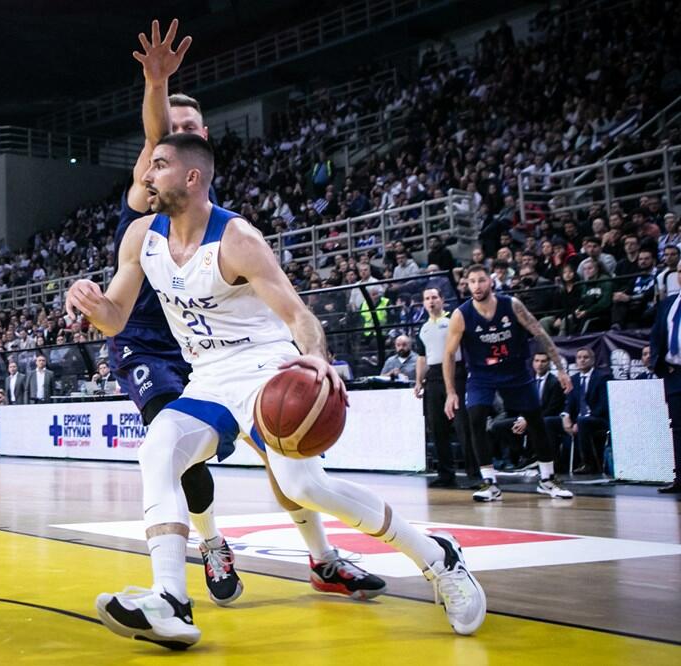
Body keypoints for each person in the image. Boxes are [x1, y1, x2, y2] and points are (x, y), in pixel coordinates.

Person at [68, 133, 485, 648]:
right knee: (157, 450)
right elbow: (114, 319)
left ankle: (440, 558)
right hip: (209, 377)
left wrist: (317, 359)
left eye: (158, 166)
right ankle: (171, 599)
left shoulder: (237, 239)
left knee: (306, 487)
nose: (147, 176)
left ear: (192, 178)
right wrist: (91, 302)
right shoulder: (140, 236)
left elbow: (298, 314)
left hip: (265, 368)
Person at [107, 20, 376, 607]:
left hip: (221, 345)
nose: (173, 136)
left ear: (202, 144)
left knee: (284, 452)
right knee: (170, 448)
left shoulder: (215, 214)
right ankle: (209, 544)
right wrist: (157, 83)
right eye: (167, 130)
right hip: (148, 339)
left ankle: (323, 559)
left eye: (187, 130)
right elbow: (155, 134)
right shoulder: (152, 186)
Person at [443, 264, 574, 502]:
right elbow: (449, 354)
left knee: (536, 420)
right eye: (472, 282)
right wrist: (451, 392)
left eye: (481, 280)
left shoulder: (512, 305)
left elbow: (540, 333)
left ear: (490, 282)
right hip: (482, 374)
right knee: (476, 419)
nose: (477, 286)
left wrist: (560, 369)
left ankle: (547, 479)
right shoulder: (461, 315)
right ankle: (489, 482)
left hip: (515, 370)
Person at [414, 287, 472, 487]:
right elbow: (422, 357)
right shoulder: (423, 328)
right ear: (423, 303)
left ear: (442, 300)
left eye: (434, 297)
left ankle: (474, 474)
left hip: (456, 373)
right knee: (437, 428)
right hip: (433, 377)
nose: (431, 301)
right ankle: (446, 474)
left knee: (463, 426)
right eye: (427, 298)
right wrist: (418, 381)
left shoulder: (452, 320)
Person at [649, 290, 681, 493]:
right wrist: (659, 365)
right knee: (677, 428)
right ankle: (680, 478)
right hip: (675, 373)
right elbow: (656, 335)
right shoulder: (668, 303)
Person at [561, 348, 610, 475]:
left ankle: (588, 464)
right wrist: (565, 416)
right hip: (579, 419)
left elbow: (603, 405)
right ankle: (554, 465)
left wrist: (581, 419)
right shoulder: (573, 379)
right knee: (549, 422)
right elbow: (569, 402)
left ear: (592, 360)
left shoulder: (602, 377)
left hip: (598, 419)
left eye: (585, 357)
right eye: (579, 358)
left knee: (583, 422)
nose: (582, 360)